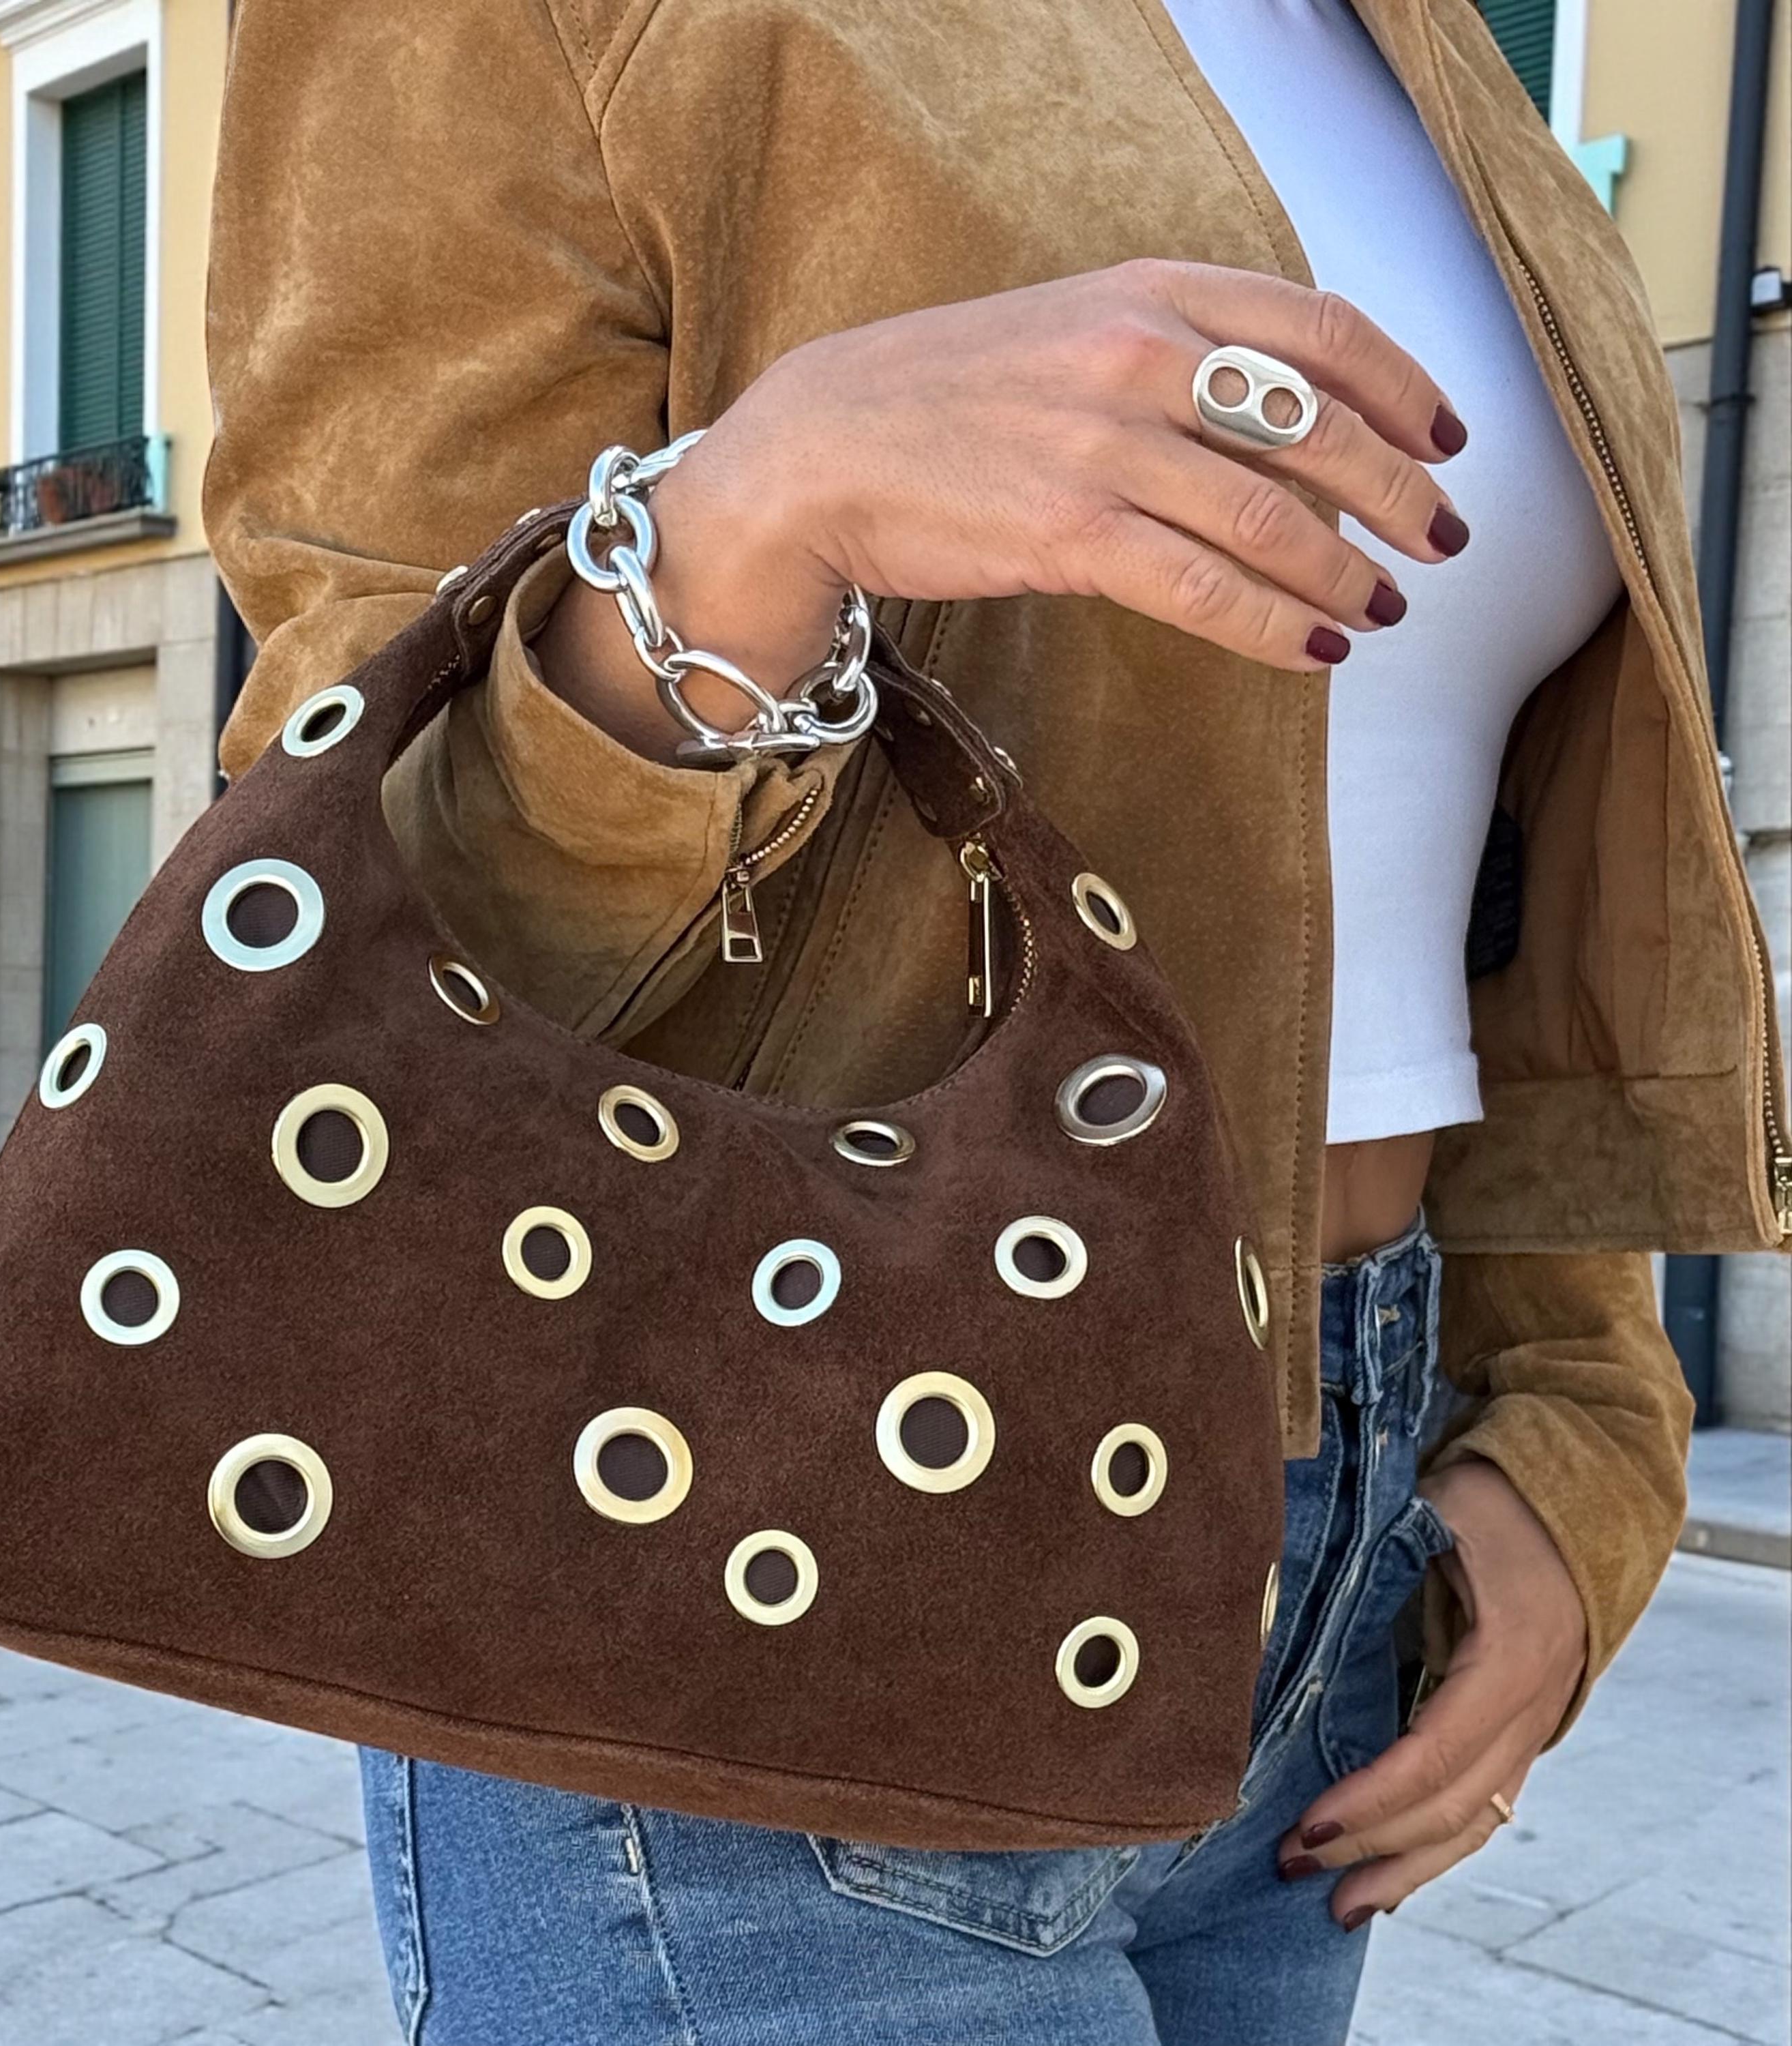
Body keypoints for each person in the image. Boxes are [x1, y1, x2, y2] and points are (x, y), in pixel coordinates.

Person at [199, 0, 1786, 2038]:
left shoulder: (1432, 44)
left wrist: (1583, 1427)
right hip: (757, 1495)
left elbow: (1501, 856)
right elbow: (386, 824)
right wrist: (758, 516)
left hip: (1340, 1543)